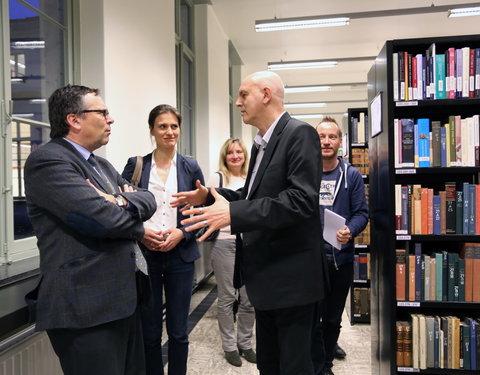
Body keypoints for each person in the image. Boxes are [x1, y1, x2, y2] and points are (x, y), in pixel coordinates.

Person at [171, 70, 327, 375]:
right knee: (270, 365)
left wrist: (234, 214)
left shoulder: (299, 134)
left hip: (292, 281)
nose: (238, 102)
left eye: (244, 95)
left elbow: (300, 200)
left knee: (294, 367)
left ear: (266, 95)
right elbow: (252, 194)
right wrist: (209, 196)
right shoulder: (261, 144)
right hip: (267, 278)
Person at [24, 84, 157, 375]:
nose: (111, 119)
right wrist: (124, 210)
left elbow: (148, 198)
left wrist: (119, 200)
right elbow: (104, 221)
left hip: (123, 300)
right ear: (74, 120)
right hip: (85, 309)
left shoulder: (102, 166)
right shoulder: (49, 161)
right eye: (103, 112)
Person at [121, 104, 204, 375]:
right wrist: (141, 234)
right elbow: (123, 209)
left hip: (181, 257)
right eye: (162, 126)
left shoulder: (190, 166)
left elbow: (202, 211)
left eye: (173, 126)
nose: (169, 132)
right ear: (152, 130)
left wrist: (183, 232)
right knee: (150, 331)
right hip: (147, 257)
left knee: (179, 331)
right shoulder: (137, 165)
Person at [311, 117, 369, 375]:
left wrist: (351, 230)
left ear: (340, 141)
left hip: (339, 259)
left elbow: (361, 213)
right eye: (321, 136)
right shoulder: (304, 174)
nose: (326, 141)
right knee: (312, 318)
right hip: (309, 260)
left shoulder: (352, 175)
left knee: (333, 317)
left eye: (331, 136)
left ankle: (325, 365)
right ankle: (314, 361)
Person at [207, 138, 256, 367]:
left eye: (239, 152)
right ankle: (229, 346)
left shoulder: (252, 179)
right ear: (225, 156)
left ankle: (245, 343)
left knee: (248, 299)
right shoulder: (217, 179)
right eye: (230, 153)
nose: (235, 156)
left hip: (249, 243)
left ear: (245, 155)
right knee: (227, 297)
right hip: (224, 242)